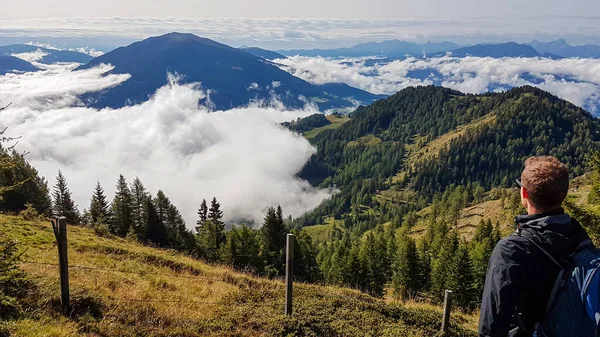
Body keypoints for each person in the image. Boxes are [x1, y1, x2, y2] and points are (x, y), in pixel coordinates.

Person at [478, 156, 591, 337]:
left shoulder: (511, 250)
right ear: (563, 193)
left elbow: (491, 327)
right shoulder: (581, 239)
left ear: (524, 194)